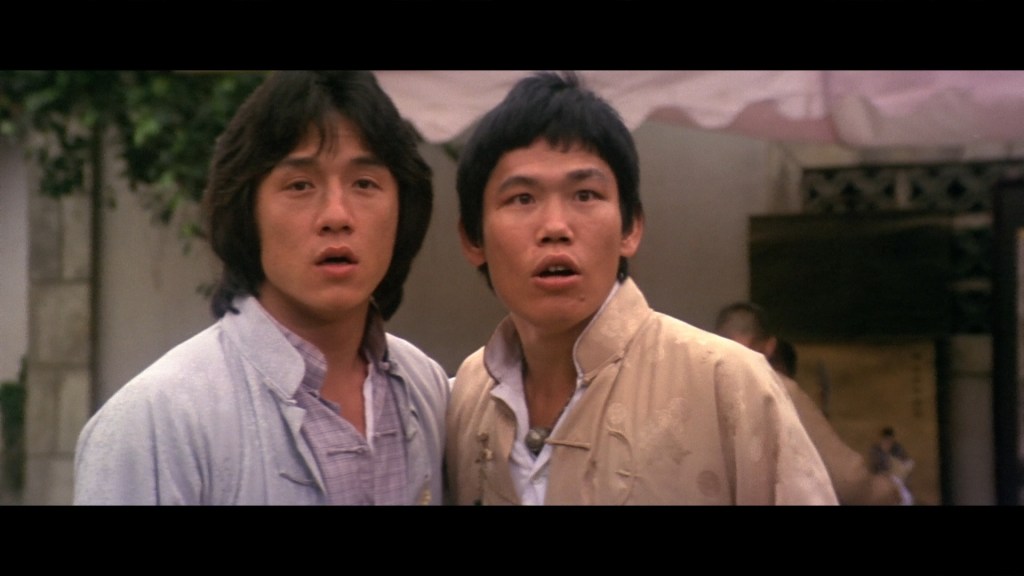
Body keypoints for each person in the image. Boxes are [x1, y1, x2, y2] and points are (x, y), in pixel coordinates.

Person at [444, 71, 837, 505]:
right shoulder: (463, 397)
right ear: (473, 239)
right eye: (522, 198)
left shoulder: (728, 383)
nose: (555, 227)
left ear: (630, 228)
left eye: (585, 195)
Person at [73, 71, 449, 505]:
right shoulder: (156, 422)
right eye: (300, 185)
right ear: (247, 211)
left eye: (364, 183)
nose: (336, 215)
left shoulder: (424, 386)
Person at [715, 301, 906, 505]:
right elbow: (847, 481)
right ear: (770, 346)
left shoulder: (697, 390)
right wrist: (892, 489)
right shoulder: (774, 390)